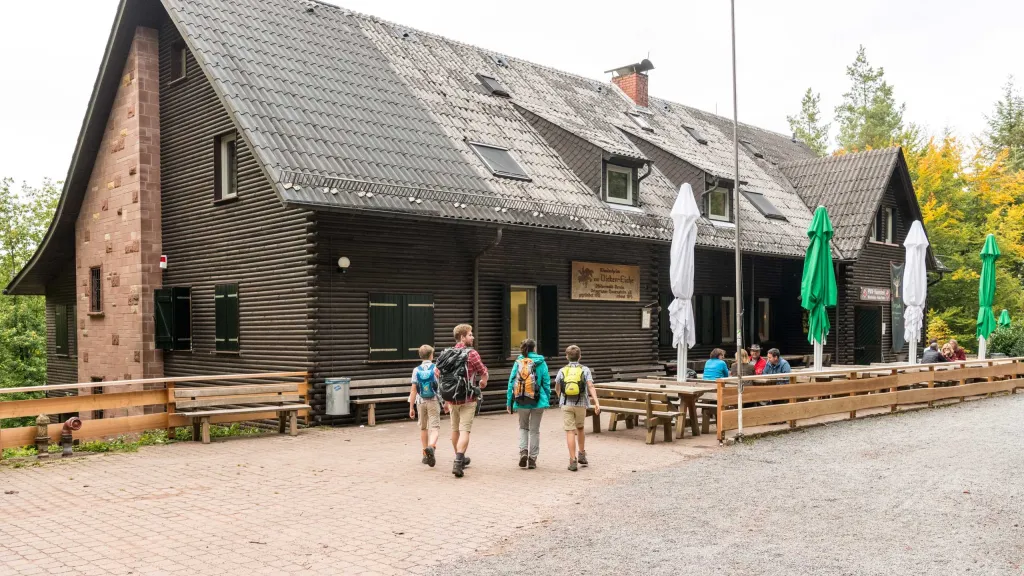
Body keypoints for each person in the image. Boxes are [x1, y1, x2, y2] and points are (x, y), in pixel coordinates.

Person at [438, 324, 488, 478]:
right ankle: (459, 460)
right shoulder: (471, 354)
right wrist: (483, 382)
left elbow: (437, 373)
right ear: (462, 337)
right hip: (468, 398)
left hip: (451, 399)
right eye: (470, 334)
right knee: (465, 430)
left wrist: (444, 399)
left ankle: (459, 457)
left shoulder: (446, 353)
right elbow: (483, 371)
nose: (472, 337)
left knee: (455, 430)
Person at [506, 338, 551, 469]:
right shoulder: (541, 362)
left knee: (523, 427)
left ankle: (523, 451)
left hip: (521, 400)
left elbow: (511, 382)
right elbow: (546, 382)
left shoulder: (518, 362)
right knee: (535, 430)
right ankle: (532, 459)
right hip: (538, 400)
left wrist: (509, 401)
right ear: (534, 348)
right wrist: (546, 399)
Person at [556, 345, 600, 472]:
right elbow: (590, 386)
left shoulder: (562, 370)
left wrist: (561, 398)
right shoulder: (585, 369)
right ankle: (582, 454)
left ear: (566, 357)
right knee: (580, 428)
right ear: (580, 356)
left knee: (570, 431)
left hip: (566, 404)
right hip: (581, 404)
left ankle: (572, 460)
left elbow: (557, 387)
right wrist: (596, 402)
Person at [408, 344, 441, 467]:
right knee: (435, 427)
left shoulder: (416, 370)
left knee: (423, 428)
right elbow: (440, 386)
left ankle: (424, 454)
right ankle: (431, 446)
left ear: (420, 356)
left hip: (420, 401)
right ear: (431, 355)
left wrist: (411, 407)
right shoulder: (436, 368)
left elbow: (413, 390)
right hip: (433, 400)